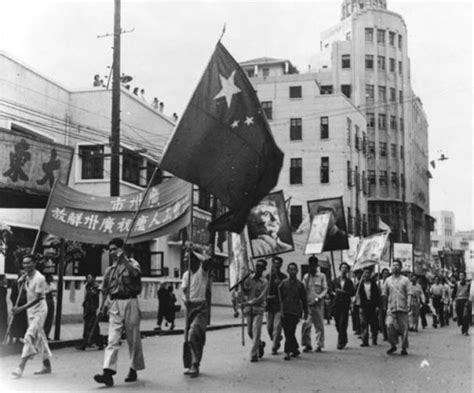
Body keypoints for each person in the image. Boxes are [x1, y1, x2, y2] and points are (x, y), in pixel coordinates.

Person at [94, 238, 144, 387]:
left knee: (133, 338)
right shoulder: (110, 269)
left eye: (114, 249)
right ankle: (108, 373)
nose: (112, 252)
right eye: (110, 250)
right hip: (115, 303)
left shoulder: (133, 263)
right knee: (112, 338)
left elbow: (135, 275)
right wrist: (101, 306)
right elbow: (104, 289)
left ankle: (133, 368)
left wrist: (124, 260)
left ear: (122, 249)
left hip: (130, 301)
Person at [11, 254, 52, 378]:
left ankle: (20, 367)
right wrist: (21, 282)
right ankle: (47, 365)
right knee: (40, 336)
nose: (26, 265)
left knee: (29, 336)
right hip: (31, 310)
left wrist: (21, 309)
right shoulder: (26, 276)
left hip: (40, 310)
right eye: (24, 263)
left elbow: (38, 299)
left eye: (28, 263)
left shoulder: (40, 278)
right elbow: (23, 291)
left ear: (34, 263)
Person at [181, 249, 212, 377]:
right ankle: (191, 363)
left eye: (189, 259)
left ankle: (195, 364)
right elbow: (183, 291)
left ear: (195, 260)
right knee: (188, 338)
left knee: (194, 334)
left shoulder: (202, 271)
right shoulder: (186, 275)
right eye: (185, 260)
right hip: (189, 307)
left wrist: (192, 250)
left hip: (201, 307)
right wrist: (184, 299)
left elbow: (207, 259)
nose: (186, 261)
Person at [278, 262, 308, 360]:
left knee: (291, 331)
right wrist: (280, 310)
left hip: (295, 311)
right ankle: (295, 349)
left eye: (294, 269)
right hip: (285, 310)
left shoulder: (300, 285)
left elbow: (304, 300)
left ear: (297, 271)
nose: (292, 271)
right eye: (290, 269)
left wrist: (305, 312)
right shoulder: (283, 283)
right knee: (287, 332)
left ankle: (287, 352)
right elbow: (280, 298)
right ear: (287, 271)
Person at [241, 259, 268, 362]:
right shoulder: (248, 278)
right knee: (250, 332)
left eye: (261, 267)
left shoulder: (265, 282)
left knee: (256, 332)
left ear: (264, 269)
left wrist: (249, 302)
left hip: (258, 309)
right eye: (257, 266)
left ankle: (253, 354)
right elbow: (244, 289)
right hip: (248, 310)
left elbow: (261, 297)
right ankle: (260, 344)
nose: (258, 269)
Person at [382, 259, 411, 355]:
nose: (395, 267)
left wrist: (409, 304)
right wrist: (384, 306)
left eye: (397, 265)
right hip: (391, 307)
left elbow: (409, 293)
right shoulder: (388, 280)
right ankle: (393, 345)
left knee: (404, 328)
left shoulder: (405, 280)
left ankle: (404, 347)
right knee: (389, 325)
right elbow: (384, 294)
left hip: (403, 307)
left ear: (401, 267)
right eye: (393, 265)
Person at [301, 256, 327, 352]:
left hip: (318, 304)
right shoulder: (306, 277)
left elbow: (325, 289)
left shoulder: (322, 276)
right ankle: (307, 344)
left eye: (314, 265)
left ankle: (319, 345)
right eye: (310, 265)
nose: (312, 267)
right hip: (308, 305)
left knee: (319, 325)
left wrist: (318, 298)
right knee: (306, 325)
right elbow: (302, 290)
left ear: (316, 265)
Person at [266, 256, 287, 355]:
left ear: (281, 265)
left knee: (277, 327)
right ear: (272, 264)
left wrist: (281, 285)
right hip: (269, 306)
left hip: (279, 305)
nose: (277, 265)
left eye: (278, 263)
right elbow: (263, 290)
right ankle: (277, 339)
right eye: (275, 263)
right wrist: (267, 297)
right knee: (269, 328)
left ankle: (274, 347)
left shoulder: (283, 277)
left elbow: (286, 292)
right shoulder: (268, 277)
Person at [77, 273, 103, 350]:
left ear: (94, 278)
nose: (87, 279)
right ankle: (99, 343)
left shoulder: (96, 287)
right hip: (88, 308)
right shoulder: (87, 286)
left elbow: (97, 297)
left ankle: (84, 344)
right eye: (87, 277)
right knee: (93, 327)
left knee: (90, 327)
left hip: (93, 309)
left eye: (89, 277)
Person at [332, 262, 355, 349]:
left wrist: (343, 292)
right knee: (337, 324)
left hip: (345, 305)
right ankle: (344, 338)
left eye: (346, 268)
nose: (344, 269)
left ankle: (340, 342)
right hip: (336, 304)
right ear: (340, 269)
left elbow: (352, 292)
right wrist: (334, 293)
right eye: (342, 267)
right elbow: (330, 290)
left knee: (343, 323)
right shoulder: (335, 280)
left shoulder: (349, 282)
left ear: (348, 270)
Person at [358, 268, 380, 346]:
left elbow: (377, 296)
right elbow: (357, 295)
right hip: (363, 306)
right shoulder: (359, 284)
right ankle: (365, 340)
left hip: (372, 306)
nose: (366, 274)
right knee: (363, 324)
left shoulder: (373, 284)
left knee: (374, 324)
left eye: (368, 273)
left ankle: (374, 339)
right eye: (365, 273)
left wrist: (377, 306)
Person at [9, 270, 28, 345]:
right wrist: (14, 304)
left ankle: (18, 338)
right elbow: (12, 296)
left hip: (23, 306)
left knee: (22, 323)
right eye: (22, 274)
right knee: (14, 322)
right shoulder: (15, 283)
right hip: (17, 305)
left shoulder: (26, 284)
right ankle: (10, 338)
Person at [44, 274, 56, 340]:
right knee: (45, 318)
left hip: (51, 300)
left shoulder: (52, 285)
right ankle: (43, 334)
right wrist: (49, 292)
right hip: (45, 300)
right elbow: (44, 293)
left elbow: (54, 293)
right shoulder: (43, 284)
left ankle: (47, 334)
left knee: (50, 318)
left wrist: (50, 292)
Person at [379, 268, 390, 340]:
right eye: (384, 273)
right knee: (382, 319)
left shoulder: (390, 282)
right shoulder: (378, 282)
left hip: (389, 300)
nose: (385, 274)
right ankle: (385, 334)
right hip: (381, 301)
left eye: (387, 273)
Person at [0, 274, 8, 340]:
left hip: (3, 307)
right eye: (5, 279)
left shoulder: (4, 289)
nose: (6, 280)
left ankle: (2, 337)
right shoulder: (2, 289)